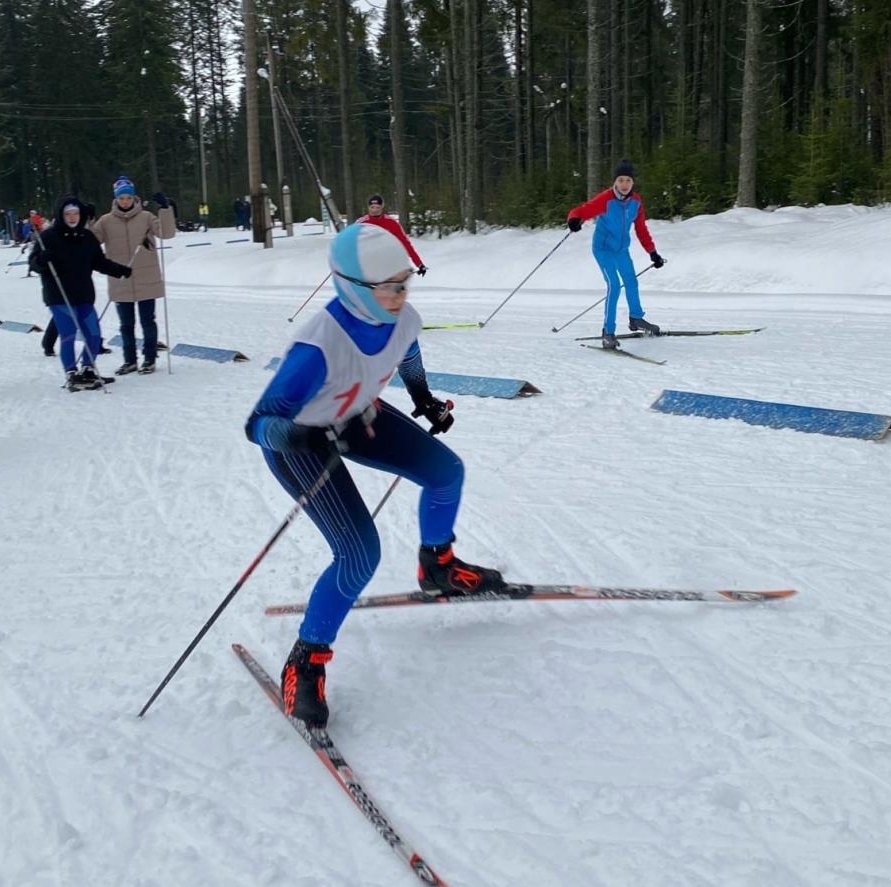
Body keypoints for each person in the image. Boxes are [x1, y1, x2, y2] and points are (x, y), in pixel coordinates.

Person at [243, 223, 506, 729]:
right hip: (301, 443)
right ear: (352, 286)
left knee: (445, 471)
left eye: (406, 283)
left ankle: (438, 567)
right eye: (391, 287)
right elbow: (259, 425)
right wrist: (300, 437)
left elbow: (406, 352)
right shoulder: (316, 347)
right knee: (360, 553)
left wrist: (423, 396)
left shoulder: (400, 315)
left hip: (359, 417)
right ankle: (307, 660)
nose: (401, 296)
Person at [30, 198, 131, 391]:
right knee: (68, 334)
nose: (72, 217)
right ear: (61, 215)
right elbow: (33, 263)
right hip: (59, 296)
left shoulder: (87, 237)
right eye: (67, 214)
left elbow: (99, 262)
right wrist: (41, 261)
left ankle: (87, 368)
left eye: (75, 213)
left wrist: (120, 270)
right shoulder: (49, 237)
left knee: (93, 334)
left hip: (83, 294)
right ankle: (71, 372)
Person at [566, 159, 667, 349]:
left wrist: (652, 253)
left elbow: (641, 229)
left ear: (633, 182)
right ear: (615, 181)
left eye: (628, 180)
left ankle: (636, 318)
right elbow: (582, 210)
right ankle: (608, 332)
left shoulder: (636, 202)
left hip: (621, 250)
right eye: (620, 180)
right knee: (614, 285)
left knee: (631, 281)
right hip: (603, 250)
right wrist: (574, 219)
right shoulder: (606, 199)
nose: (624, 184)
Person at [90, 175, 176, 375]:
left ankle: (149, 358)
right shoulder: (106, 221)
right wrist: (88, 219)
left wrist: (165, 209)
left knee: (148, 321)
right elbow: (91, 241)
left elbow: (167, 233)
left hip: (147, 279)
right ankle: (130, 360)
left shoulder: (146, 217)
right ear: (116, 199)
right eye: (121, 198)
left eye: (128, 197)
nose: (125, 201)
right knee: (126, 324)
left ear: (134, 197)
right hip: (121, 279)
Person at [356, 194, 427, 276]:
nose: (374, 210)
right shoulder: (360, 223)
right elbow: (350, 244)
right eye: (372, 207)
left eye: (377, 207)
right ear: (368, 207)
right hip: (367, 263)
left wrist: (419, 264)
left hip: (387, 262)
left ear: (382, 207)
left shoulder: (392, 223)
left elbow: (406, 244)